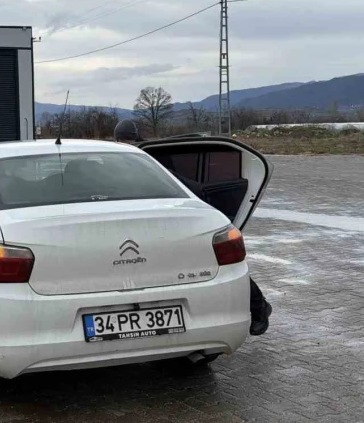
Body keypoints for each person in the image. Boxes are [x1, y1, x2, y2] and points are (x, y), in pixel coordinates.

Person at [112, 119, 272, 336]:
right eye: (123, 141)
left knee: (217, 265)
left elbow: (188, 189)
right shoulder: (118, 162)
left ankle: (258, 307)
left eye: (127, 140)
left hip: (177, 224)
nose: (125, 144)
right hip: (149, 228)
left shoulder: (154, 158)